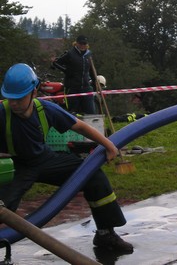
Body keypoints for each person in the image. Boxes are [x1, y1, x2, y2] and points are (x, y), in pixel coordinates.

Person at [0, 63, 134, 253]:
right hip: (16, 165)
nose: (13, 103)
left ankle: (106, 235)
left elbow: (79, 126)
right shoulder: (2, 113)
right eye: (10, 98)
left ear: (34, 93)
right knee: (2, 206)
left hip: (44, 160)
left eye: (19, 99)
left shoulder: (45, 110)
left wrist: (108, 144)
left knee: (93, 176)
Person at [52, 35, 97, 114]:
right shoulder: (70, 54)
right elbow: (56, 63)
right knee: (73, 112)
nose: (83, 46)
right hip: (72, 87)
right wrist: (66, 71)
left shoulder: (88, 54)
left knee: (91, 112)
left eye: (84, 44)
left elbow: (91, 70)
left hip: (86, 87)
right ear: (76, 44)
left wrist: (94, 82)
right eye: (81, 43)